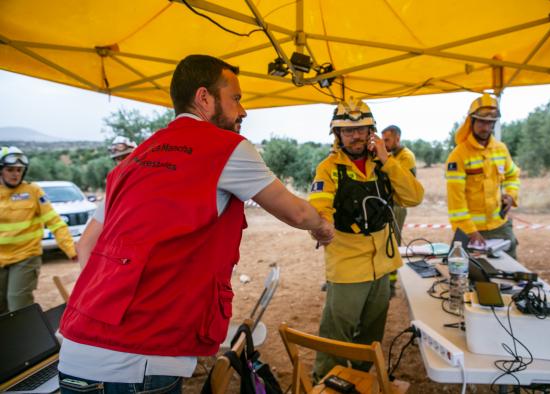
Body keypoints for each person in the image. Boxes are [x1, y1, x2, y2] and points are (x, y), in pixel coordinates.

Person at [57, 54, 334, 394]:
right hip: (138, 360)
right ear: (204, 98)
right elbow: (297, 213)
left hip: (77, 348)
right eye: (236, 99)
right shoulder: (224, 147)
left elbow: (86, 245)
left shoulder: (135, 158)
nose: (243, 111)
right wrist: (322, 227)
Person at [308, 99, 424, 380]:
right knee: (337, 334)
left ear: (371, 131)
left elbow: (413, 197)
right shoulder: (329, 168)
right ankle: (323, 381)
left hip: (382, 267)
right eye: (348, 131)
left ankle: (358, 379)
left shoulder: (385, 165)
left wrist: (387, 159)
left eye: (361, 129)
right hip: (348, 268)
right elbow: (320, 207)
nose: (355, 136)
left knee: (372, 334)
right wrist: (321, 225)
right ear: (338, 135)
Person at [0, 146, 77, 314]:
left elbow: (55, 222)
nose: (15, 174)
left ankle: (26, 339)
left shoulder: (33, 191)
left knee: (18, 304)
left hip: (25, 256)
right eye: (10, 169)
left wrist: (71, 249)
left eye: (19, 170)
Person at [445, 93, 521, 258]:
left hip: (500, 226)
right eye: (481, 121)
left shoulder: (501, 149)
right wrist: (470, 231)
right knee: (464, 275)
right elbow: (456, 201)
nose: (486, 128)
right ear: (471, 121)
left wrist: (510, 195)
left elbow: (512, 176)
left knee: (509, 273)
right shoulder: (458, 156)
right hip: (470, 230)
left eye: (490, 123)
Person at [76, 136, 138, 267]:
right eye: (118, 159)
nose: (122, 162)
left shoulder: (122, 189)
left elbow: (84, 245)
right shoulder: (115, 192)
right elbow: (84, 245)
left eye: (125, 157)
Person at [381, 125, 417, 297]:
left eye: (387, 140)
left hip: (397, 206)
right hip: (385, 204)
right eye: (382, 140)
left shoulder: (406, 157)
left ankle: (391, 284)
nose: (384, 143)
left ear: (397, 138)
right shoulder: (391, 155)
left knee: (393, 243)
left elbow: (395, 180)